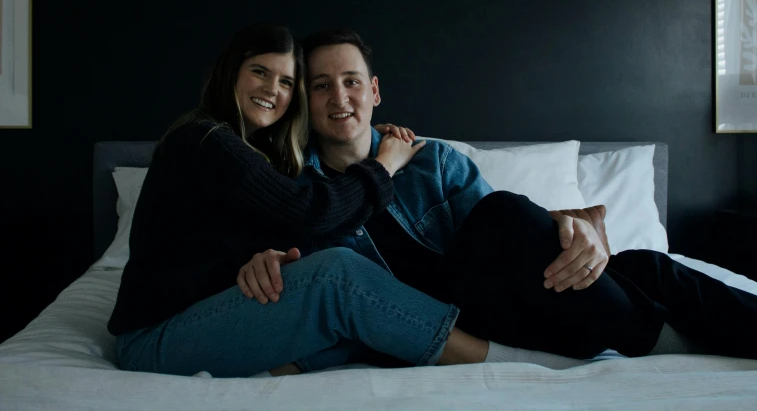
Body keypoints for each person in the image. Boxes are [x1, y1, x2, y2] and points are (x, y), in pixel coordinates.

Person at [238, 28, 757, 369]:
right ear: (304, 100)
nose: (340, 98)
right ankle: (664, 341)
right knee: (515, 221)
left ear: (374, 91)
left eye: (352, 82)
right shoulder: (300, 194)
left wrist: (582, 235)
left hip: (510, 297)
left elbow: (518, 240)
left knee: (647, 265)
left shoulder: (435, 160)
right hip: (440, 325)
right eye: (321, 85)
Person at [107, 23, 512, 378]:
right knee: (338, 275)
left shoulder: (256, 152)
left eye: (285, 82)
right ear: (230, 72)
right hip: (155, 336)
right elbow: (314, 211)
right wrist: (385, 163)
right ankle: (504, 360)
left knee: (360, 319)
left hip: (205, 316)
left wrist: (262, 257)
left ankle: (281, 369)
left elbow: (228, 238)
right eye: (260, 72)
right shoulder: (205, 140)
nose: (272, 89)